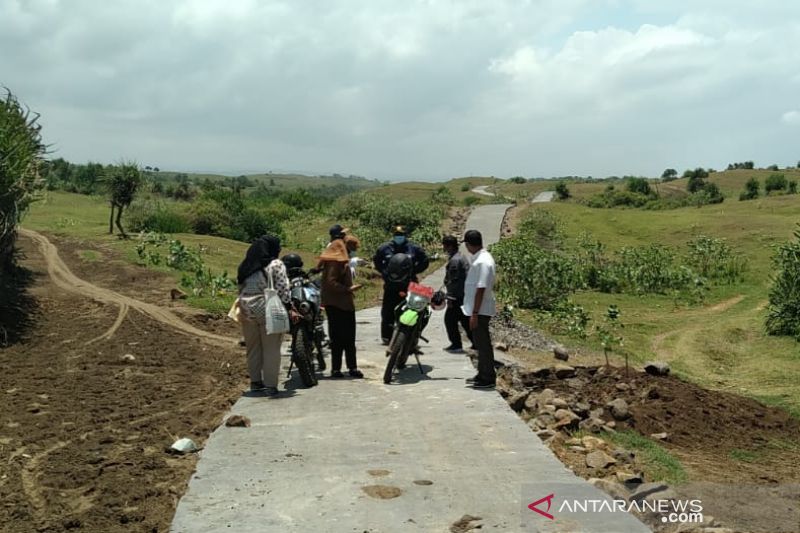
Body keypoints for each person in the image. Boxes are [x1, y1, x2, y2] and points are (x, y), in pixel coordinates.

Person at [236, 234, 295, 396]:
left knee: (253, 347)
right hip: (267, 307)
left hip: (246, 307)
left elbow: (240, 287)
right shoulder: (276, 264)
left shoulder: (245, 266)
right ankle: (271, 385)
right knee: (271, 348)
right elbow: (283, 289)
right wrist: (288, 307)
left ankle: (255, 382)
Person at [373, 225, 430, 343]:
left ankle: (410, 336)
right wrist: (385, 273)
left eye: (401, 235)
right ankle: (387, 337)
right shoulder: (385, 248)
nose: (399, 237)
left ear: (405, 236)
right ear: (393, 236)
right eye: (397, 235)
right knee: (388, 312)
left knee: (412, 311)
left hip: (409, 285)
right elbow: (377, 261)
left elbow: (425, 261)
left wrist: (414, 271)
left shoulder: (413, 248)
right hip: (391, 286)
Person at [319, 236, 364, 378]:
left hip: (341, 303)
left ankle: (350, 367)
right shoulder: (335, 263)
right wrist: (348, 289)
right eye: (351, 249)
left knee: (347, 338)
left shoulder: (339, 261)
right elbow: (330, 282)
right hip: (338, 304)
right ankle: (338, 369)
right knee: (340, 338)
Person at [461, 230, 497, 388]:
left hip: (480, 310)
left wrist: (474, 313)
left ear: (468, 245)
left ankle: (487, 377)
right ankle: (482, 373)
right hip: (477, 309)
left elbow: (481, 288)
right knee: (479, 343)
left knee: (483, 344)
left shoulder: (482, 262)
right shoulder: (480, 258)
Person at [441, 235, 473, 354]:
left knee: (450, 320)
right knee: (464, 321)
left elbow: (454, 281)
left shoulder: (455, 261)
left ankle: (456, 344)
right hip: (464, 295)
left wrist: (450, 297)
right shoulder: (460, 257)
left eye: (444, 245)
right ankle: (475, 343)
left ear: (448, 246)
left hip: (458, 296)